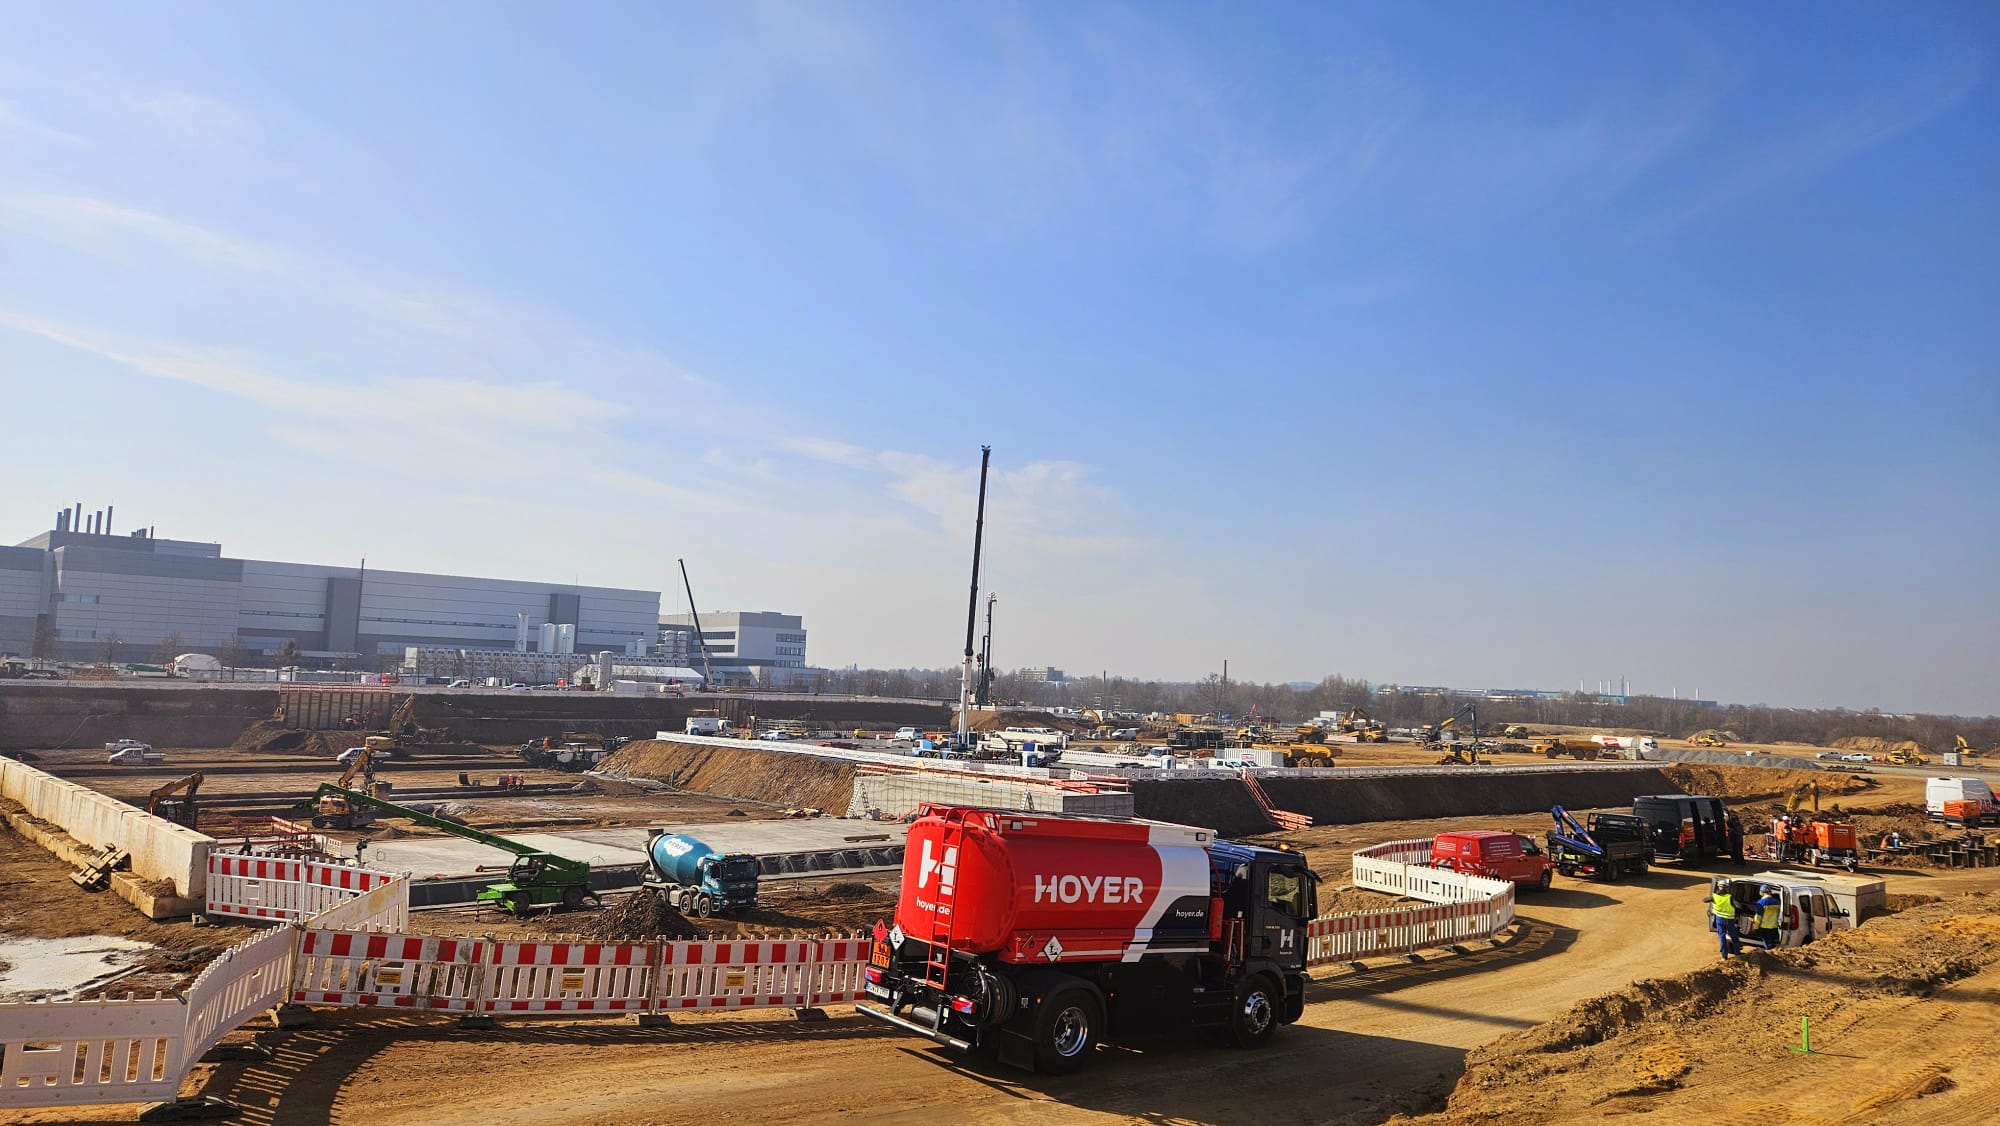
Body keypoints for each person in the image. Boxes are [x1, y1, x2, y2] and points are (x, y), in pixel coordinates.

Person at [1709, 878, 1740, 958]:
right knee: (1734, 937)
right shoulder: (1729, 897)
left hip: (1719, 920)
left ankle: (1724, 956)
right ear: (1727, 887)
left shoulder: (1714, 897)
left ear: (1718, 887)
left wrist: (1713, 898)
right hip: (1729, 920)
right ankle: (1737, 953)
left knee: (1722, 937)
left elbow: (1704, 900)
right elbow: (1738, 906)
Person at [1751, 885, 1781, 949]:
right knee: (1773, 944)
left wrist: (1755, 927)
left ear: (1762, 892)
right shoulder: (1777, 902)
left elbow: (1758, 916)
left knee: (1768, 944)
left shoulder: (1761, 902)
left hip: (1765, 927)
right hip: (1774, 926)